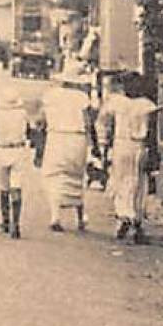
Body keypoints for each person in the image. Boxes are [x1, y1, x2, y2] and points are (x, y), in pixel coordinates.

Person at [99, 71, 163, 244]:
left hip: (121, 145)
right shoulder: (146, 105)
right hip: (139, 146)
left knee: (120, 181)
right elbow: (151, 132)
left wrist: (105, 147)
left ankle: (123, 216)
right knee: (138, 183)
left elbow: (106, 124)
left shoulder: (117, 103)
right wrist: (153, 151)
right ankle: (136, 221)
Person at [37, 63, 95, 233]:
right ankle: (81, 218)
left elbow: (40, 120)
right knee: (76, 176)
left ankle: (55, 215)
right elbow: (88, 122)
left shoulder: (50, 95)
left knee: (53, 176)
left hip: (57, 137)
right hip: (77, 138)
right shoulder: (82, 98)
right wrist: (93, 145)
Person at [0, 78, 31, 239]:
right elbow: (28, 131)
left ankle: (6, 220)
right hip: (18, 149)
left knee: (3, 186)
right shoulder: (22, 113)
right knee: (16, 186)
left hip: (2, 150)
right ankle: (16, 224)